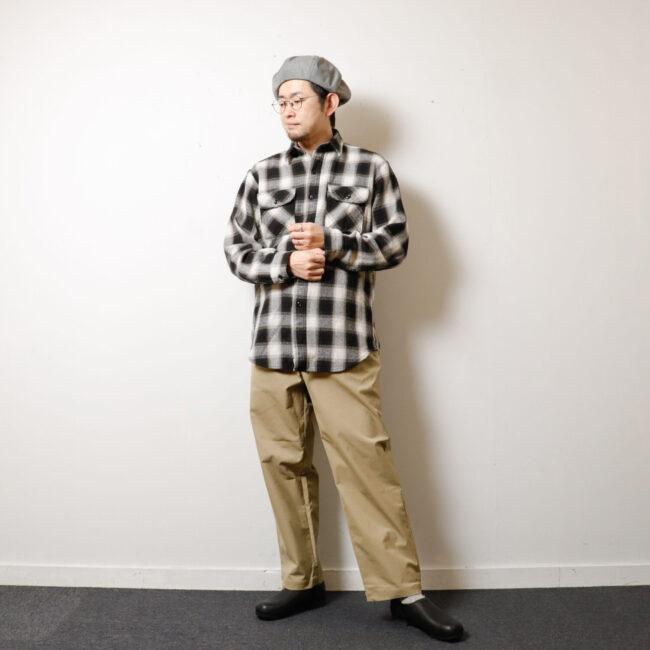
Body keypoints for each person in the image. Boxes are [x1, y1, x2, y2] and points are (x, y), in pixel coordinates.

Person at [223, 55, 464, 643]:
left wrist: (333, 243)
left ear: (330, 103)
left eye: (298, 99)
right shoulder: (261, 174)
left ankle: (403, 592)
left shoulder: (370, 168)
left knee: (367, 468)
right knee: (283, 465)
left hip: (343, 348)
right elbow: (235, 250)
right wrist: (284, 263)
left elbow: (394, 243)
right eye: (281, 101)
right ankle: (302, 580)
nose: (287, 110)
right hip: (273, 348)